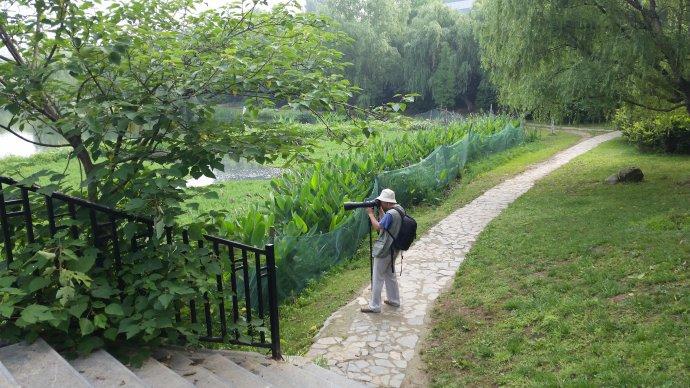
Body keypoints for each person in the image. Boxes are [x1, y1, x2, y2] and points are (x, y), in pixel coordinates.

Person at [361, 188, 403, 313]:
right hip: (394, 248)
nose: (381, 203)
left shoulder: (390, 214)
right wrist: (380, 209)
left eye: (382, 202)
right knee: (390, 274)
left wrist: (370, 214)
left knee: (377, 276)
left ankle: (374, 306)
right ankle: (394, 300)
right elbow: (387, 223)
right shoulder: (398, 209)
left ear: (388, 203)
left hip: (385, 249)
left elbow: (379, 227)